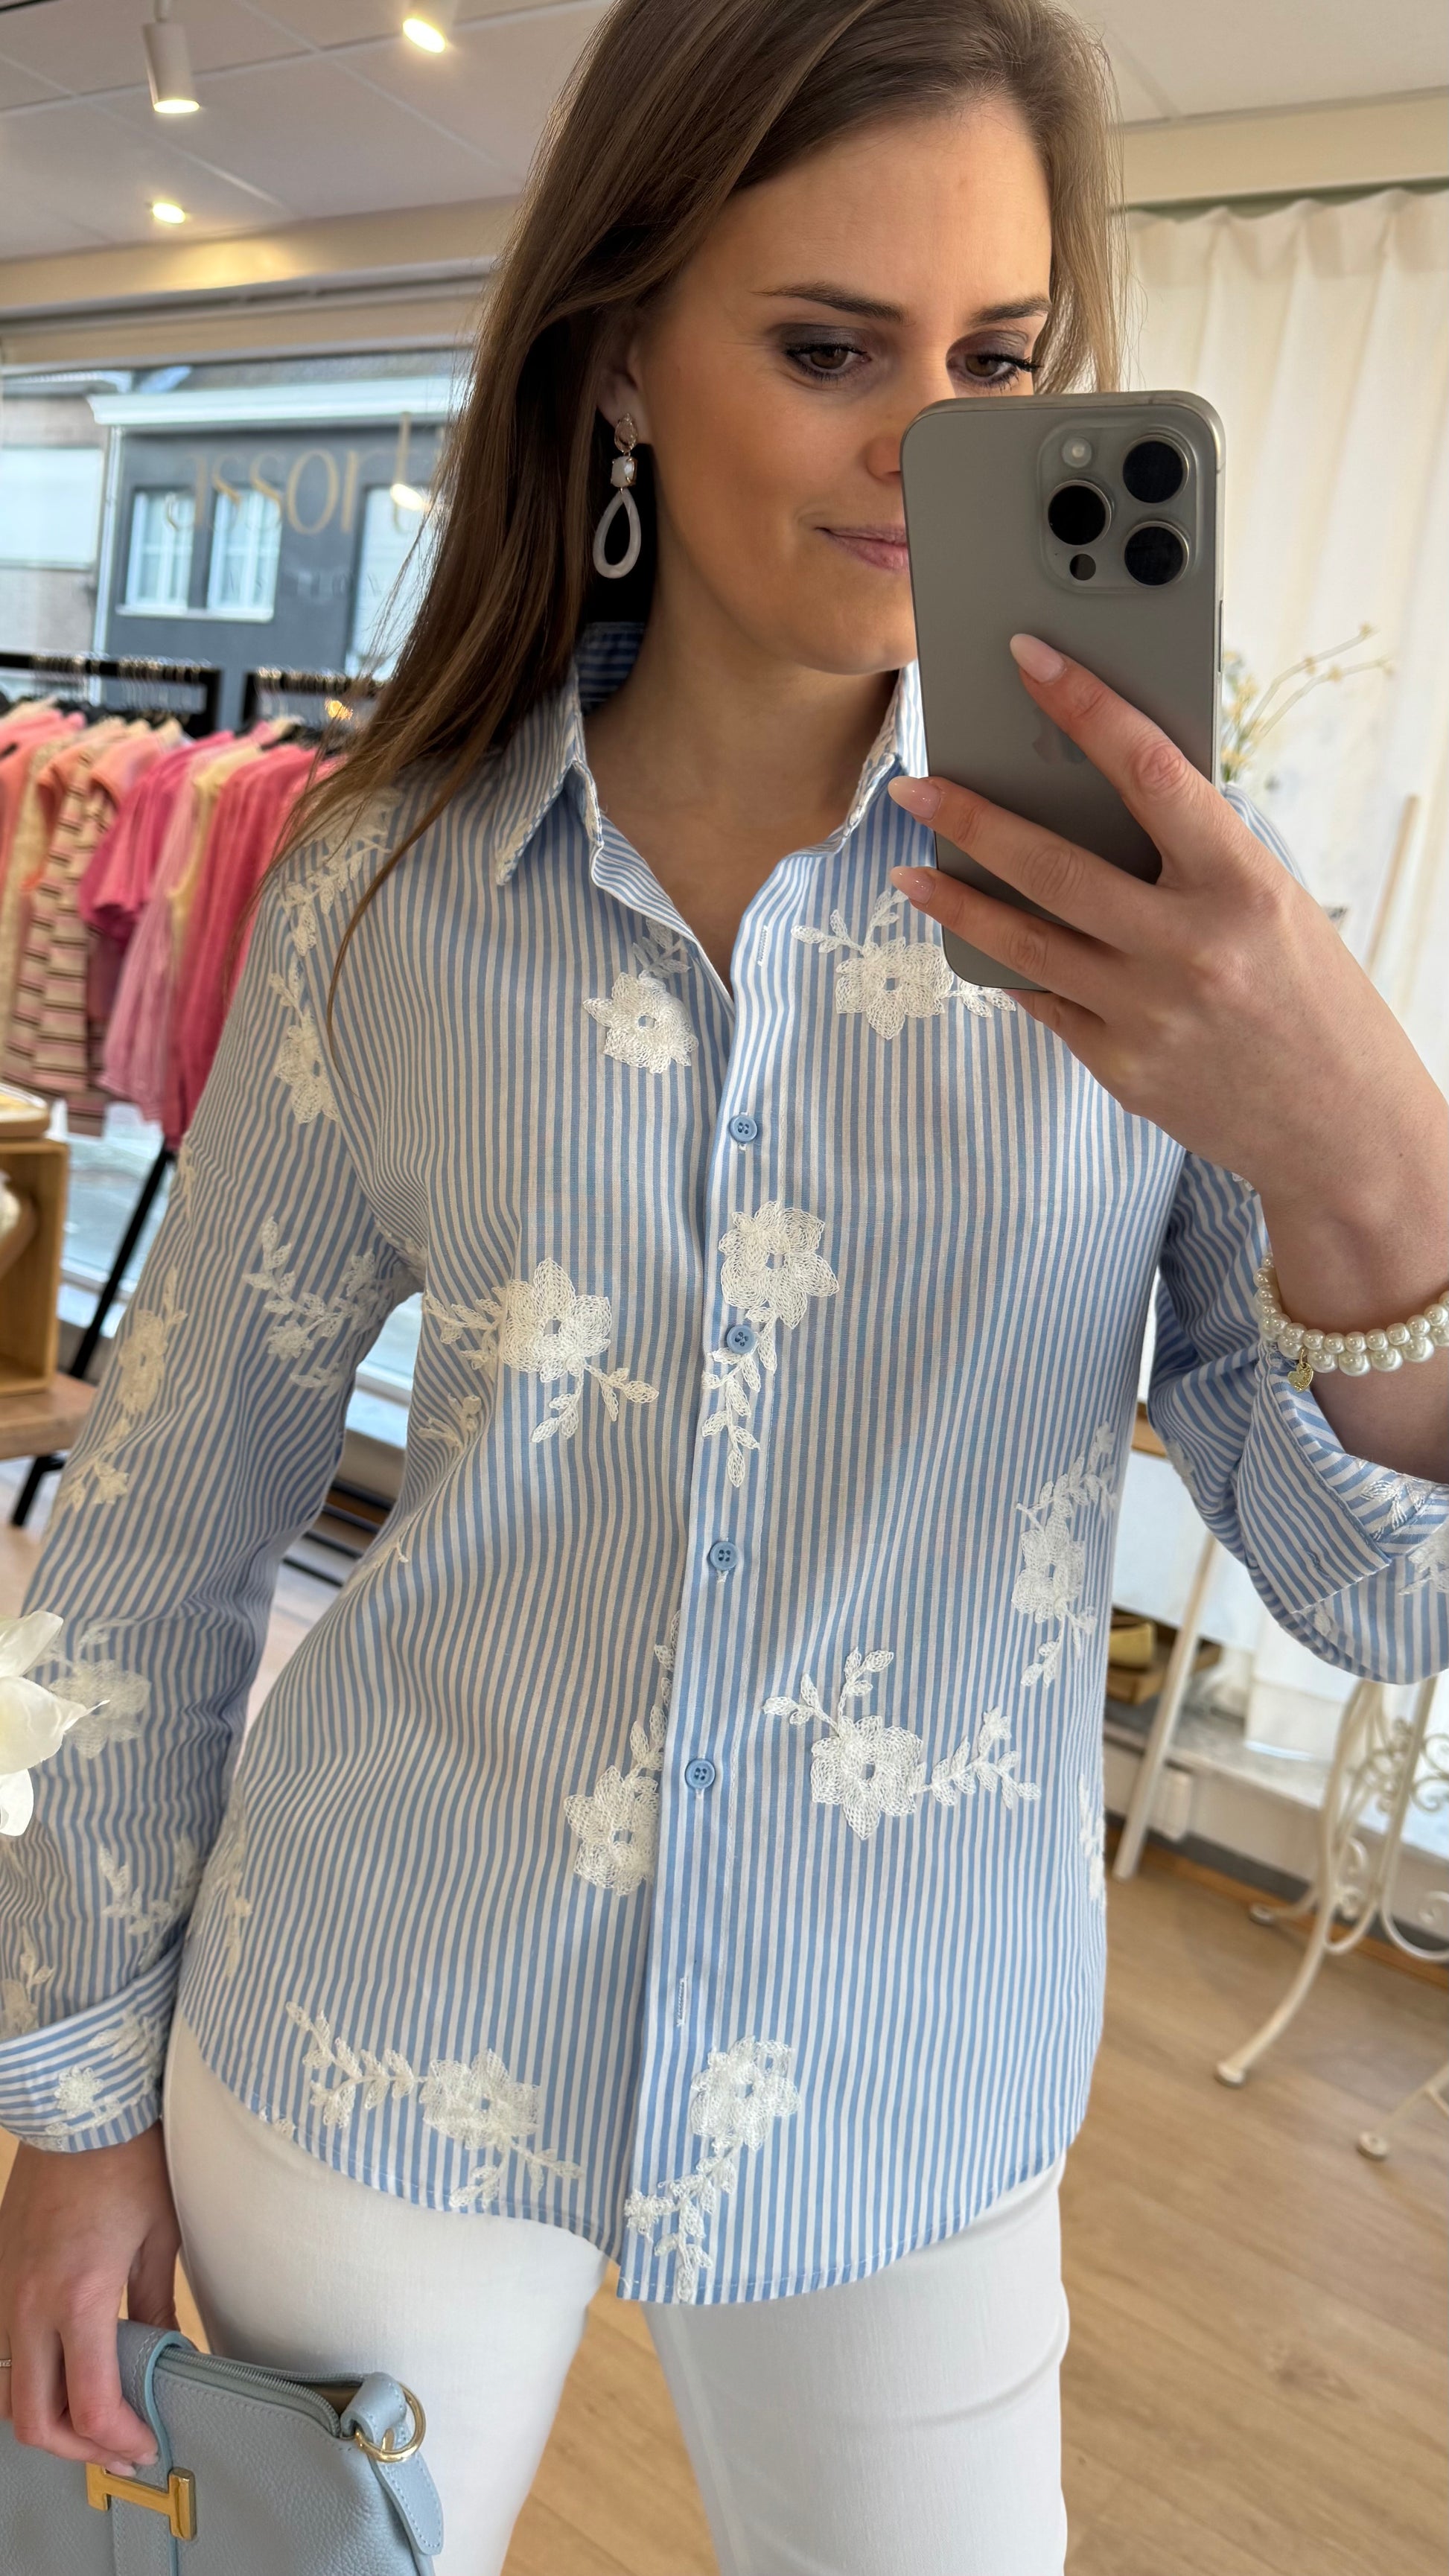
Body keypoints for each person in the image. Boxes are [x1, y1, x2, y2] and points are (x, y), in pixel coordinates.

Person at [1, 3, 1445, 2569]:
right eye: (825, 348)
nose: (926, 452)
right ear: (618, 361)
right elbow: (155, 1526)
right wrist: (70, 2106)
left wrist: (1367, 1146)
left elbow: (1380, 1581)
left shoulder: (1183, 926)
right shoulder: (381, 882)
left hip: (904, 2069)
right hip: (379, 2013)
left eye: (995, 363)